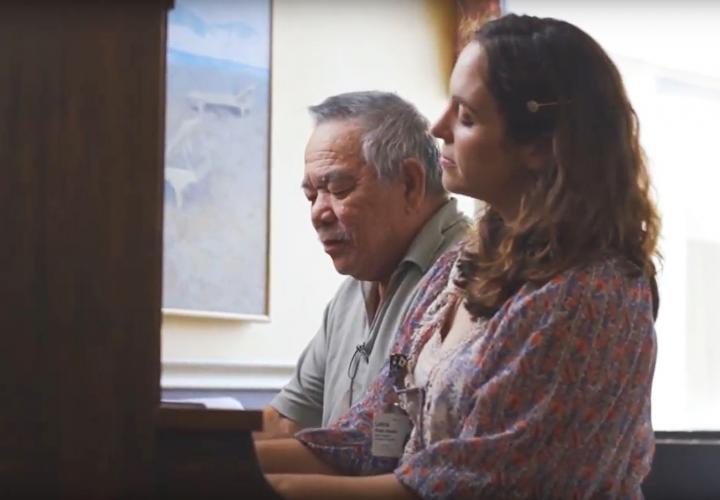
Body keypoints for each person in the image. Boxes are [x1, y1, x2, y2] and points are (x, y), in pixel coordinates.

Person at [255, 14, 661, 499]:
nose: (438, 126)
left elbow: (471, 486)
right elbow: (371, 437)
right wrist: (190, 454)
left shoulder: (590, 295)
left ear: (538, 146)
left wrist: (268, 487)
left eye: (466, 116)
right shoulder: (460, 269)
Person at [258, 91, 470, 439]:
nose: (318, 214)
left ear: (410, 184)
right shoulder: (351, 293)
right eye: (311, 196)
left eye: (338, 189)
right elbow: (287, 421)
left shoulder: (469, 277)